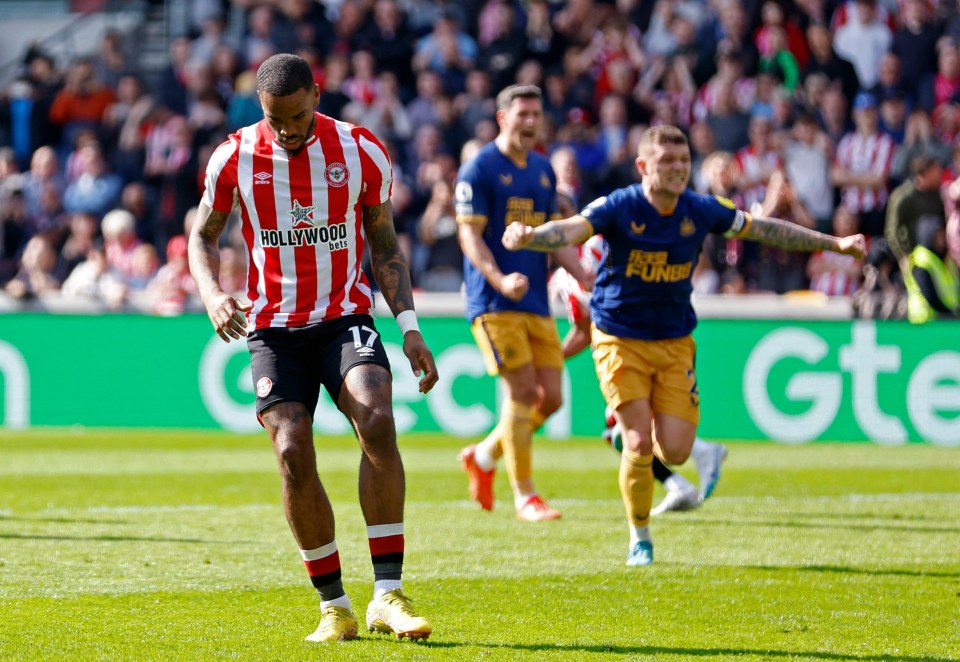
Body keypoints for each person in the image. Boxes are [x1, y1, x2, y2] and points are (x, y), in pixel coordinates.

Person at [502, 125, 866, 566]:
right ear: (643, 167)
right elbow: (572, 229)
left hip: (675, 342)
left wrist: (836, 244)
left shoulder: (700, 209)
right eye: (667, 161)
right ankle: (640, 536)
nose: (678, 169)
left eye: (683, 161)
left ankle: (661, 455)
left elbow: (764, 229)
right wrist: (531, 236)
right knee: (636, 442)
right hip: (619, 338)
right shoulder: (620, 206)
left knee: (674, 448)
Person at [188, 53, 439, 644]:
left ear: (317, 96)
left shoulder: (359, 151)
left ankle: (388, 595)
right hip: (274, 328)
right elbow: (202, 236)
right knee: (292, 451)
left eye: (296, 117)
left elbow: (385, 246)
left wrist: (408, 326)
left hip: (345, 317)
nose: (286, 130)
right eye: (275, 120)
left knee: (377, 419)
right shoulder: (233, 157)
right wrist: (211, 293)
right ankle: (335, 606)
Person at [454, 84, 591, 521]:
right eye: (523, 114)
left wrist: (584, 274)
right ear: (502, 117)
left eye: (536, 114)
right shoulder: (479, 169)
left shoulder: (543, 170)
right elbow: (469, 235)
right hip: (494, 300)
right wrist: (497, 276)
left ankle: (484, 455)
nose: (531, 122)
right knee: (521, 391)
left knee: (550, 399)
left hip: (534, 299)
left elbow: (552, 238)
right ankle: (525, 495)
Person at [549, 233, 728, 514]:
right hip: (621, 353)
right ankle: (681, 479)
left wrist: (552, 358)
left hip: (645, 345)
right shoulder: (564, 275)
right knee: (619, 430)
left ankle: (695, 460)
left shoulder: (599, 243)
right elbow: (585, 329)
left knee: (623, 428)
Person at [903, 215, 959, 322]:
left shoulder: (943, 259)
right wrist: (949, 314)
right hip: (924, 322)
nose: (942, 238)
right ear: (929, 235)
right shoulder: (921, 260)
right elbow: (929, 295)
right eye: (938, 235)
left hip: (942, 321)